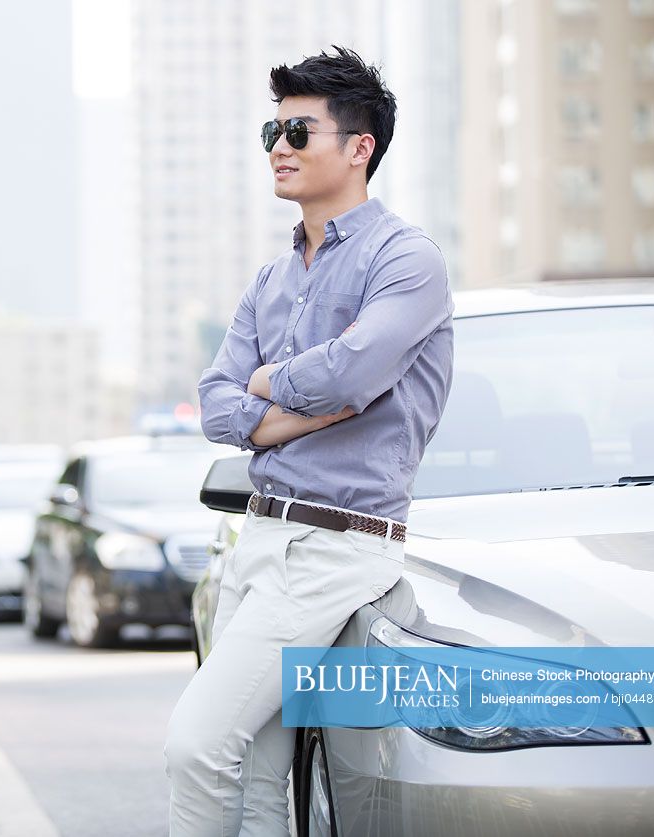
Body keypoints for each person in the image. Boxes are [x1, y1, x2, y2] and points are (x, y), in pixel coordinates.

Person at [164, 46, 455, 836]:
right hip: (259, 537)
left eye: (298, 130)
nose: (278, 148)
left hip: (336, 546)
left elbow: (349, 374)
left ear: (358, 147)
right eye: (272, 130)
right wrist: (297, 404)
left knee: (195, 742)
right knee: (257, 772)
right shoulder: (270, 278)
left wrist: (269, 381)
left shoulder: (405, 259)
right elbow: (216, 407)